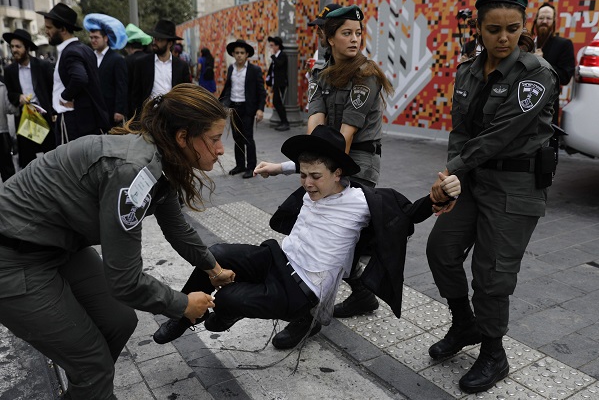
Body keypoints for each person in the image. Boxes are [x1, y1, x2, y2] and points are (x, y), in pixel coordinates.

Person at [0, 83, 235, 399]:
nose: (221, 149)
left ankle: (89, 388)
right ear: (183, 138)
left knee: (119, 321)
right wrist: (183, 305)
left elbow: (179, 231)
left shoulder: (161, 160)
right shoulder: (133, 170)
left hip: (58, 246)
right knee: (92, 363)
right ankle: (92, 382)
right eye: (215, 139)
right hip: (12, 255)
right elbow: (125, 281)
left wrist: (213, 268)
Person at [152, 125, 461, 350]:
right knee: (217, 253)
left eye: (315, 178)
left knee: (228, 298)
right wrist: (277, 168)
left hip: (303, 289)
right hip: (278, 259)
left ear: (338, 174)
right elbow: (306, 167)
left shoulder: (361, 201)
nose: (308, 184)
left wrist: (440, 195)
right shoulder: (312, 181)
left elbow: (409, 212)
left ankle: (292, 317)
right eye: (303, 176)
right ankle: (182, 317)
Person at [425, 0, 559, 394]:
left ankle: (493, 353)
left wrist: (453, 170)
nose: (504, 38)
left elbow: (499, 135)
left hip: (514, 187)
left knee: (492, 274)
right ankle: (465, 324)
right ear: (478, 29)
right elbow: (461, 131)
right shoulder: (466, 71)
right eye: (494, 29)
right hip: (473, 179)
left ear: (524, 27)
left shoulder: (536, 74)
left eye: (513, 28)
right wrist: (451, 179)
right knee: (441, 250)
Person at [306, 5, 394, 320]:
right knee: (323, 233)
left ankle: (312, 312)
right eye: (347, 33)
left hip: (357, 162)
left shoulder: (365, 74)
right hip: (331, 158)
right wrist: (310, 168)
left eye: (358, 33)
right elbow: (316, 122)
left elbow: (345, 135)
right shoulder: (320, 72)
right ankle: (362, 295)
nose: (355, 39)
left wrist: (321, 175)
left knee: (334, 236)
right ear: (329, 38)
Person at [36, 3, 110, 145]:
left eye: (49, 27)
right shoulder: (84, 49)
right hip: (86, 120)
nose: (46, 31)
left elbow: (80, 78)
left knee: (69, 164)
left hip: (73, 122)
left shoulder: (71, 52)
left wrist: (64, 97)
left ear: (63, 29)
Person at [2, 28, 55, 167]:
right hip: (24, 119)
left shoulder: (43, 66)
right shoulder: (9, 70)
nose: (14, 50)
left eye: (18, 46)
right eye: (12, 46)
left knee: (51, 156)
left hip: (43, 115)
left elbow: (52, 90)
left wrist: (54, 113)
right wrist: (18, 97)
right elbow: (10, 94)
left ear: (27, 48)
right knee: (27, 161)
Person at [219, 39, 266, 179]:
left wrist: (260, 109)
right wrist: (225, 104)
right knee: (237, 137)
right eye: (237, 53)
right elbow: (228, 88)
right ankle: (240, 165)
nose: (239, 55)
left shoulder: (254, 70)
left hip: (247, 108)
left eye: (242, 53)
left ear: (247, 55)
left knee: (248, 138)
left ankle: (251, 167)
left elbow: (261, 92)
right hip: (234, 107)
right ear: (233, 54)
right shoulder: (231, 68)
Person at [130, 20, 191, 118]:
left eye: (159, 40)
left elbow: (186, 93)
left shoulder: (181, 66)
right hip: (149, 116)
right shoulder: (142, 64)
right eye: (154, 39)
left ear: (170, 43)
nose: (155, 42)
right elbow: (135, 94)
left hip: (173, 116)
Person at [531, 2, 576, 125]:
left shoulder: (563, 45)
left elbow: (565, 77)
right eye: (541, 18)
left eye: (548, 18)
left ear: (554, 21)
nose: (544, 21)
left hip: (548, 107)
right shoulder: (526, 44)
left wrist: (543, 62)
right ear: (535, 20)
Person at [85, 13, 129, 126]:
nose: (93, 40)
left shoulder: (117, 59)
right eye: (91, 38)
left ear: (105, 38)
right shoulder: (88, 57)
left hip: (110, 112)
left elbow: (121, 86)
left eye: (96, 37)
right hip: (91, 112)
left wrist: (119, 110)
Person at [123, 23, 152, 120]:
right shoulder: (150, 59)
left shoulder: (126, 60)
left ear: (130, 47)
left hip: (131, 103)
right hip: (148, 102)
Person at [266, 36, 289, 131]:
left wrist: (272, 56)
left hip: (280, 84)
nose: (271, 48)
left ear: (277, 46)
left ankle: (285, 122)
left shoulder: (282, 55)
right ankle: (283, 121)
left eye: (272, 46)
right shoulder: (276, 56)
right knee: (277, 102)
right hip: (276, 83)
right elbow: (272, 70)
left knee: (278, 102)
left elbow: (279, 64)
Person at [0, 79, 16, 181]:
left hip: (2, 131)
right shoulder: (1, 87)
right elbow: (10, 109)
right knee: (7, 169)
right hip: (1, 132)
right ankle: (10, 195)